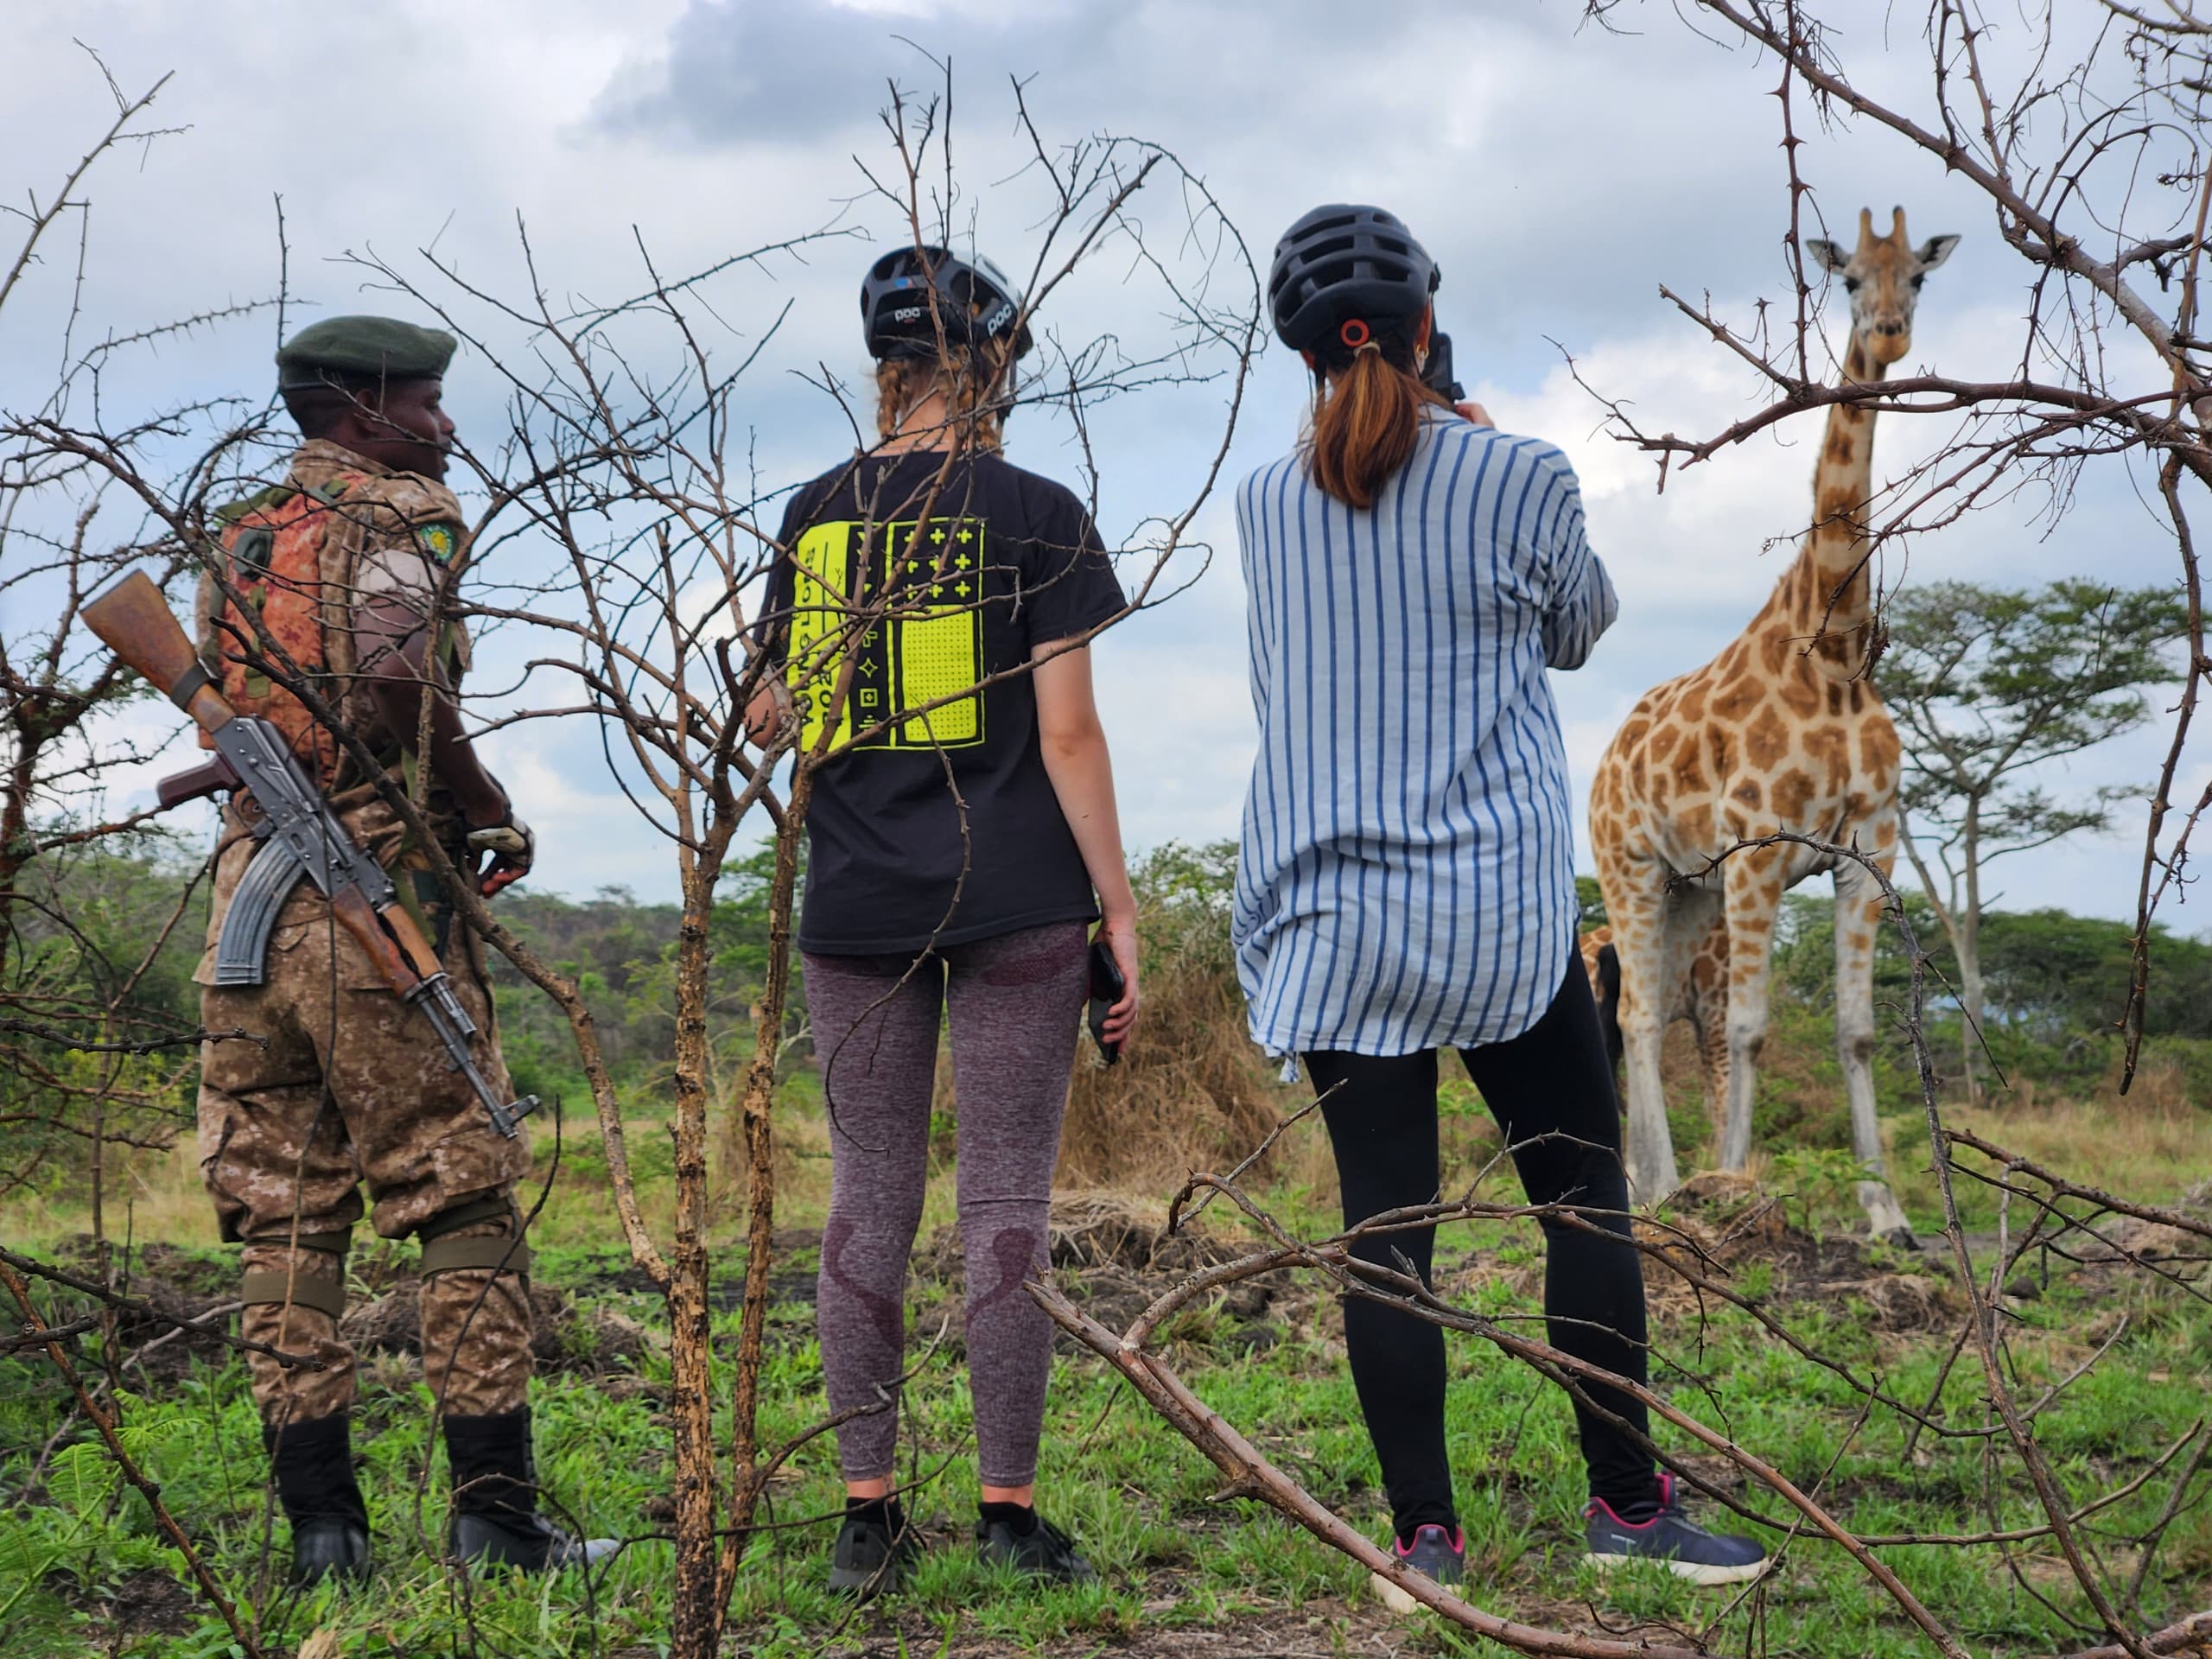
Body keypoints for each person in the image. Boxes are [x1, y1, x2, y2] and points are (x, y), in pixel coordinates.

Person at [1230, 207, 1769, 1605]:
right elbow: (1578, 631)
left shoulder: (1262, 503)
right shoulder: (1518, 470)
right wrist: (1475, 428)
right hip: (1496, 924)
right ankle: (1629, 1512)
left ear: (1300, 353)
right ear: (1425, 328)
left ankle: (1423, 1544)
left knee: (1383, 1234)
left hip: (1336, 923)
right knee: (1582, 1201)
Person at [747, 246, 1140, 1596]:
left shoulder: (813, 514)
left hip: (854, 902)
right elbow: (1071, 736)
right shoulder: (1039, 510)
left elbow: (777, 713)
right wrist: (1120, 913)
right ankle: (1012, 1518)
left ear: (886, 369)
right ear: (995, 364)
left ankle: (867, 1517)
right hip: (1020, 897)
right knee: (1005, 1202)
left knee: (866, 1198)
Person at [191, 315, 610, 1583]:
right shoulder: (403, 518)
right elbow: (390, 682)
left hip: (245, 915)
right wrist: (479, 801)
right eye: (424, 402)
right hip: (369, 894)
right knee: (461, 1196)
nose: (441, 426)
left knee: (284, 1214)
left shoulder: (244, 533)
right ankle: (497, 1524)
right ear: (362, 407)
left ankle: (324, 1537)